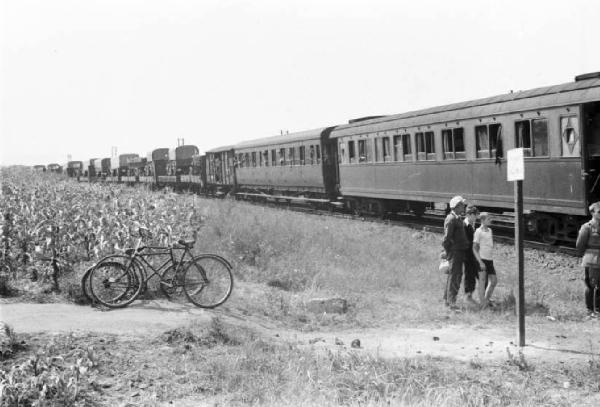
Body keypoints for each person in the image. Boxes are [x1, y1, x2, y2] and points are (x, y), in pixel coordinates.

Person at [442, 195, 469, 308]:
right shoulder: (451, 219)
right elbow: (446, 238)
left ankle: (447, 301)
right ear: (457, 206)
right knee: (455, 277)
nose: (464, 206)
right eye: (462, 205)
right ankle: (451, 303)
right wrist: (448, 253)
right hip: (455, 253)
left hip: (459, 252)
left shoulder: (457, 218)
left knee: (454, 276)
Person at [575, 202, 600, 316]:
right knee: (591, 285)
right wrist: (585, 257)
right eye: (599, 212)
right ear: (592, 213)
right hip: (592, 260)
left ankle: (598, 310)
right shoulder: (587, 227)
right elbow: (580, 245)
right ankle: (589, 310)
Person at [473, 212, 496, 308]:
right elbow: (474, 248)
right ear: (482, 220)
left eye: (490, 219)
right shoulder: (478, 232)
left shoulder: (490, 230)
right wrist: (480, 262)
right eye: (488, 219)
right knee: (482, 282)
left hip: (489, 259)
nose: (490, 220)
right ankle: (483, 304)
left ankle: (486, 300)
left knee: (494, 281)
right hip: (482, 259)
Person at [463, 205, 479, 305]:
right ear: (469, 215)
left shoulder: (472, 224)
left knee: (474, 274)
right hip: (468, 255)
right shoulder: (464, 225)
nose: (476, 217)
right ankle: (468, 295)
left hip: (474, 254)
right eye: (474, 215)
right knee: (469, 274)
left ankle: (472, 294)